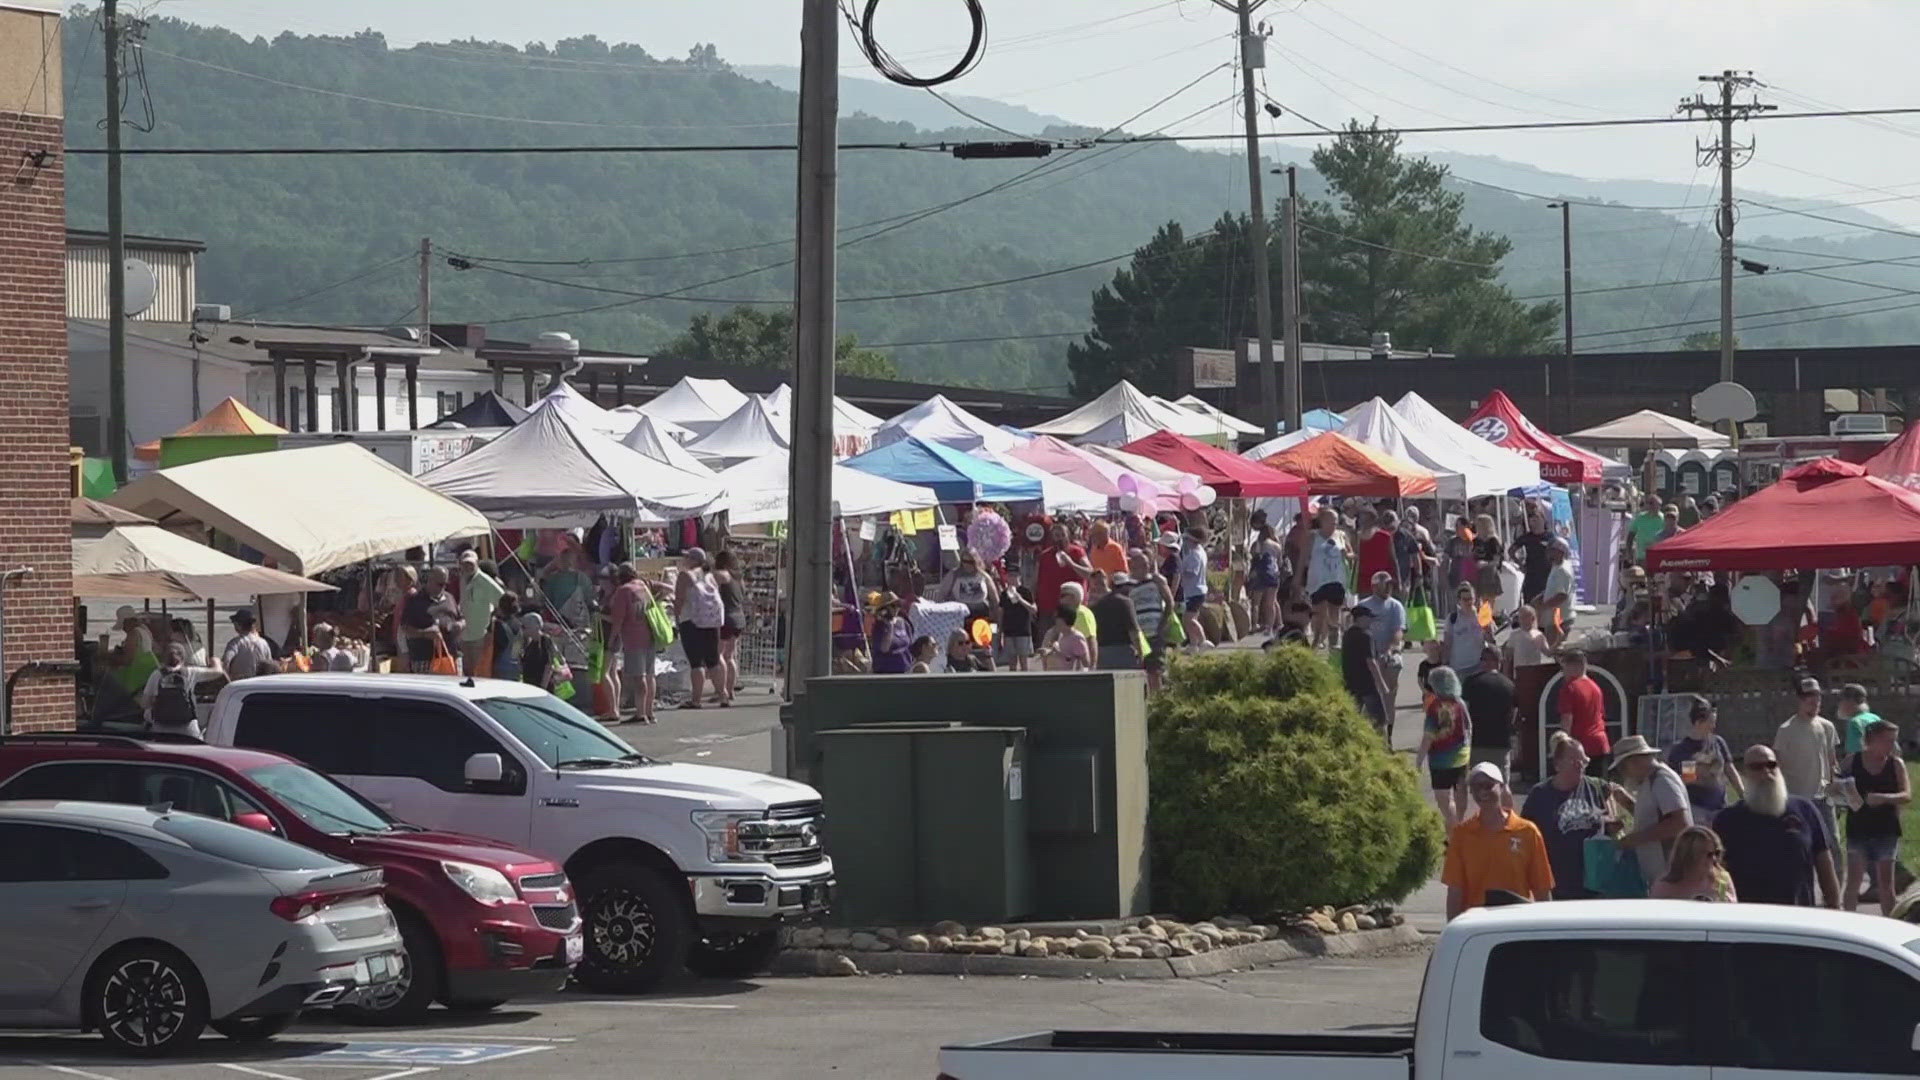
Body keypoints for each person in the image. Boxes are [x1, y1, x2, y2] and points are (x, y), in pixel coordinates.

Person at [1714, 743, 1841, 907]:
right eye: (1757, 767)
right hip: (1747, 919)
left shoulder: (1805, 810)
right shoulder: (1727, 820)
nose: (1766, 772)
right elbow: (1717, 874)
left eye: (1771, 765)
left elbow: (1825, 867)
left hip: (1798, 918)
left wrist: (1834, 907)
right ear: (1745, 773)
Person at [1441, 762, 1554, 920]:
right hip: (1476, 925)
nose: (1482, 792)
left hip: (1517, 924)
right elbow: (1454, 891)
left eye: (1488, 785)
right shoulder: (1462, 835)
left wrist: (1546, 930)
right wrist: (1452, 932)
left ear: (1501, 787)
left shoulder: (1527, 832)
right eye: (1476, 787)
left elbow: (1542, 888)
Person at [1522, 733, 1616, 900]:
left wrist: (1612, 824)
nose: (1580, 766)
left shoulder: (1596, 787)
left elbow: (1622, 812)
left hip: (1596, 884)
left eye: (1584, 761)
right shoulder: (1540, 795)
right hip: (1559, 885)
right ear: (1557, 765)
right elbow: (1526, 836)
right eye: (1574, 761)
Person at [1841, 719, 1910, 915]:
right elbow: (1833, 787)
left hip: (1886, 830)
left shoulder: (1895, 764)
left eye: (1893, 741)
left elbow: (1906, 795)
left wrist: (1883, 798)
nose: (1891, 746)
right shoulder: (1852, 761)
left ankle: (1890, 923)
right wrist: (1842, 791)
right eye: (1887, 741)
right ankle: (1847, 924)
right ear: (1871, 740)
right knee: (1854, 881)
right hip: (1858, 829)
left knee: (1885, 884)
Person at [1610, 734, 1694, 885]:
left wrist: (1633, 839)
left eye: (1623, 767)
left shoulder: (1662, 779)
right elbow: (1655, 817)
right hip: (1661, 875)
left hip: (1673, 874)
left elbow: (1680, 822)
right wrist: (1629, 804)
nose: (1623, 774)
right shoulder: (1649, 780)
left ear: (1635, 761)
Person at [1776, 676, 1841, 848]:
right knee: (1803, 842)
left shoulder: (1827, 727)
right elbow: (1778, 766)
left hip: (1824, 796)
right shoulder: (1786, 730)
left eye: (1818, 697)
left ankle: (1837, 875)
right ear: (1800, 699)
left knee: (1832, 841)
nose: (1814, 701)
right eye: (1809, 697)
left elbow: (1832, 759)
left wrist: (1836, 786)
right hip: (1798, 796)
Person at [1665, 696, 1743, 824]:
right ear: (1698, 723)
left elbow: (1730, 769)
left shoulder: (1718, 742)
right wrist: (1703, 771)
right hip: (1696, 809)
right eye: (1710, 722)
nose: (1713, 726)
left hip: (1720, 805)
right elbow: (1684, 780)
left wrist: (1742, 793)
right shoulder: (1682, 750)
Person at [1416, 665, 1473, 829]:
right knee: (1461, 791)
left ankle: (1454, 827)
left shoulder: (1434, 707)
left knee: (1444, 799)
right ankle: (1460, 822)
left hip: (1440, 760)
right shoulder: (1460, 703)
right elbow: (1469, 726)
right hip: (1461, 755)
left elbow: (1428, 736)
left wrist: (1419, 760)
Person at [673, 548, 726, 707]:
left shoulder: (685, 575)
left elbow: (679, 600)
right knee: (713, 660)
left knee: (696, 663)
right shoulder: (710, 576)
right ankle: (723, 695)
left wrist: (677, 618)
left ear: (694, 560)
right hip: (711, 622)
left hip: (691, 621)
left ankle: (696, 700)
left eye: (687, 557)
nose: (685, 559)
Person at [139, 642, 225, 737]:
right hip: (188, 728)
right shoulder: (190, 672)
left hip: (161, 728)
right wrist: (216, 661)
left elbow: (145, 703)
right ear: (183, 658)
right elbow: (217, 672)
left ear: (164, 658)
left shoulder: (157, 675)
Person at [609, 565, 657, 723]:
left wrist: (612, 638)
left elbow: (618, 619)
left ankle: (640, 713)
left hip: (633, 637)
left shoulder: (624, 591)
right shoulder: (643, 587)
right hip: (650, 635)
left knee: (639, 677)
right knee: (650, 675)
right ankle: (649, 711)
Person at [1354, 571, 1406, 718]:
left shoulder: (1395, 606)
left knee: (1392, 671)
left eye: (1390, 585)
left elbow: (1398, 631)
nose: (1389, 588)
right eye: (1385, 585)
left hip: (1388, 653)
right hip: (1368, 653)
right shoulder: (1363, 605)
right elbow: (1355, 630)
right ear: (1375, 587)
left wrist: (1389, 650)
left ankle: (1388, 726)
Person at [1462, 645, 1517, 782]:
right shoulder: (1509, 685)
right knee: (1502, 784)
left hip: (1477, 741)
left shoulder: (1471, 683)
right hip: (1501, 742)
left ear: (1483, 661)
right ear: (1499, 662)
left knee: (1478, 785)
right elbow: (1514, 713)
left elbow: (1464, 712)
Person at [1556, 648, 1611, 773]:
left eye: (1564, 667)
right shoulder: (1595, 687)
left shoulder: (1570, 688)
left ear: (1575, 665)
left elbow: (1567, 719)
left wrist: (1563, 745)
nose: (1563, 672)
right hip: (1601, 742)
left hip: (1582, 746)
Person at [1341, 605, 1392, 738]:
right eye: (1369, 619)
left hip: (1351, 683)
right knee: (1380, 720)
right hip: (1368, 684)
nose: (1371, 622)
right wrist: (1381, 683)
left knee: (1352, 719)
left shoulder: (1347, 635)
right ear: (1361, 618)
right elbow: (1371, 662)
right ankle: (1384, 748)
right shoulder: (1366, 636)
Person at [1650, 825, 1736, 902]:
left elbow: (1733, 913)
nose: (1714, 858)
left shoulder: (1722, 880)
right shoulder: (1664, 887)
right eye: (1708, 854)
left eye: (1716, 853)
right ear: (1689, 856)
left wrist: (1727, 900)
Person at [1128, 550, 1175, 690]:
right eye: (1137, 566)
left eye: (1145, 565)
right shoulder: (1130, 587)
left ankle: (1158, 700)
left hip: (1155, 632)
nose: (1142, 569)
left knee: (1156, 671)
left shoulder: (1156, 581)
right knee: (1145, 671)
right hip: (1140, 635)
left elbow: (1169, 603)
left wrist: (1162, 625)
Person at [1304, 509, 1350, 650]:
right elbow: (1303, 559)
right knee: (1318, 613)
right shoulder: (1313, 536)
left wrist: (1347, 554)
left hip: (1336, 579)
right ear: (1322, 521)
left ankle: (1333, 642)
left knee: (1334, 613)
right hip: (1318, 580)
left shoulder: (1341, 536)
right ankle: (1317, 639)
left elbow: (1351, 553)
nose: (1334, 524)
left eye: (1336, 522)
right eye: (1331, 521)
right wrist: (1298, 577)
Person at [400, 568, 460, 674]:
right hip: (424, 658)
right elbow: (405, 628)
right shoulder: (415, 601)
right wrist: (425, 634)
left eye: (445, 585)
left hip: (448, 656)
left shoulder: (449, 597)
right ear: (430, 581)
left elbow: (461, 618)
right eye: (440, 584)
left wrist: (459, 625)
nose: (443, 588)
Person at [456, 550, 505, 677]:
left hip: (480, 636)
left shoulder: (484, 581)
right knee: (467, 672)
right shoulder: (463, 578)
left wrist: (492, 622)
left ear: (477, 563)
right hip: (465, 634)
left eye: (471, 564)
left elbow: (503, 600)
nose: (468, 567)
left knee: (480, 673)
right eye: (465, 564)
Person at [1036, 522, 1092, 622]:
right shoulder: (1044, 556)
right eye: (1057, 535)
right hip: (1049, 608)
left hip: (1072, 608)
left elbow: (1090, 574)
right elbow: (1036, 581)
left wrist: (1071, 563)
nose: (1060, 538)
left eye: (1063, 535)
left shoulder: (1077, 552)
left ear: (1068, 536)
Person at [712, 549, 746, 707]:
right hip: (739, 618)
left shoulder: (724, 575)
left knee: (718, 655)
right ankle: (730, 690)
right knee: (730, 656)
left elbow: (712, 577)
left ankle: (722, 691)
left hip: (727, 619)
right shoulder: (739, 578)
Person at [1090, 571, 1143, 671]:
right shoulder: (1126, 602)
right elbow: (1133, 631)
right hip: (1123, 653)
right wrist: (1140, 653)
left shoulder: (1096, 606)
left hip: (1102, 654)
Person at [1442, 584, 1491, 674]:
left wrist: (1488, 629)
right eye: (1465, 600)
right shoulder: (1452, 618)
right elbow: (1447, 643)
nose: (1468, 602)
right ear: (1459, 601)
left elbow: (1490, 640)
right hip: (1458, 667)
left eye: (1470, 599)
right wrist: (1445, 663)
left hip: (1478, 666)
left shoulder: (1482, 616)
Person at [939, 549, 1000, 620]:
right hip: (959, 616)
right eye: (965, 561)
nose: (967, 565)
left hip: (981, 616)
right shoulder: (954, 575)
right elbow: (942, 595)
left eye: (971, 562)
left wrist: (997, 617)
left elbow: (995, 599)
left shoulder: (984, 576)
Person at [1175, 528, 1210, 649]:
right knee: (1192, 618)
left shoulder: (1194, 555)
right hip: (1194, 590)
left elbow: (1192, 573)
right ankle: (1193, 644)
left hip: (1195, 590)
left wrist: (1180, 571)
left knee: (1188, 619)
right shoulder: (1199, 551)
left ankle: (1203, 640)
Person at [1512, 507, 1555, 604]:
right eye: (1532, 520)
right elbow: (1511, 551)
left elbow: (1556, 552)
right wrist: (1520, 564)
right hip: (1531, 573)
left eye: (1537, 519)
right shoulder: (1527, 537)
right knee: (1530, 600)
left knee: (1546, 601)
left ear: (1543, 520)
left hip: (1546, 573)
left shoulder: (1550, 536)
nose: (1535, 523)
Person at [1247, 523, 1284, 634]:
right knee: (1271, 602)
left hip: (1260, 575)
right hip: (1273, 574)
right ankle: (1271, 626)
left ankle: (1254, 625)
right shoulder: (1277, 545)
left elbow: (1254, 557)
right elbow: (1280, 562)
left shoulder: (1259, 544)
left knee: (1256, 602)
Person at [222, 609, 277, 681]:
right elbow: (269, 666)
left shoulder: (235, 644)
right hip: (259, 683)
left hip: (240, 685)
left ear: (239, 625)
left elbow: (226, 662)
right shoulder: (263, 643)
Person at [1539, 539, 1576, 647]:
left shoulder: (1562, 570)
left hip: (1560, 619)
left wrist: (1542, 607)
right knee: (1555, 651)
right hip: (1556, 618)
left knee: (1558, 651)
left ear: (1560, 552)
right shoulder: (1556, 567)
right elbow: (1554, 589)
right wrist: (1541, 597)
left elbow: (1561, 595)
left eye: (1551, 550)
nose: (1547, 552)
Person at [1354, 511, 1396, 601]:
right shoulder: (1357, 537)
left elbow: (1393, 559)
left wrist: (1397, 580)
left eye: (1365, 519)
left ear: (1373, 520)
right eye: (1362, 519)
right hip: (1364, 582)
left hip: (1382, 581)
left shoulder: (1385, 536)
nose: (1362, 522)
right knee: (1366, 610)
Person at [867, 592, 913, 675]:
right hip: (886, 672)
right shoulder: (879, 626)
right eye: (893, 606)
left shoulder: (903, 623)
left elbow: (909, 644)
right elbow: (884, 648)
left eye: (898, 605)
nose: (896, 608)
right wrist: (889, 626)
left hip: (905, 670)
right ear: (885, 608)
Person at [1837, 682, 1881, 759]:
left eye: (1841, 700)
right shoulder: (1875, 718)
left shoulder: (1854, 722)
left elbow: (1854, 752)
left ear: (1849, 701)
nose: (1839, 704)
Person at [1502, 605, 1551, 671]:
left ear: (1532, 618)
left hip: (1535, 670)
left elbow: (1548, 653)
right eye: (1520, 617)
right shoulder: (1514, 635)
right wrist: (1506, 673)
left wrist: (1558, 641)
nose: (1522, 620)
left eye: (1525, 617)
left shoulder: (1539, 635)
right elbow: (1508, 657)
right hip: (1519, 671)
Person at [1000, 584, 1037, 672]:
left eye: (1014, 575)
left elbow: (1033, 610)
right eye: (1010, 575)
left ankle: (1024, 683)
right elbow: (1001, 613)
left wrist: (1020, 599)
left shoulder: (1026, 591)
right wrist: (999, 632)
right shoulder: (1004, 593)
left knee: (1024, 662)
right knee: (1012, 663)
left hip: (1023, 631)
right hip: (1009, 631)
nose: (1012, 578)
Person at [489, 593, 523, 682]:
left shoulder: (499, 625)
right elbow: (517, 649)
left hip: (501, 668)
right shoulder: (519, 625)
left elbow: (496, 647)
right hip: (515, 667)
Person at [517, 611, 556, 690]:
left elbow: (548, 665)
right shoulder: (529, 644)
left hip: (541, 687)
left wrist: (543, 688)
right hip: (530, 685)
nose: (523, 630)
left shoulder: (545, 641)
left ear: (535, 626)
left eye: (525, 627)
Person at [1628, 494, 1666, 565]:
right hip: (1642, 556)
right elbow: (1631, 535)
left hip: (1658, 556)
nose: (1651, 506)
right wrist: (1629, 553)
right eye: (1649, 503)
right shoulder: (1640, 518)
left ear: (1659, 505)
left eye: (1653, 503)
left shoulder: (1664, 519)